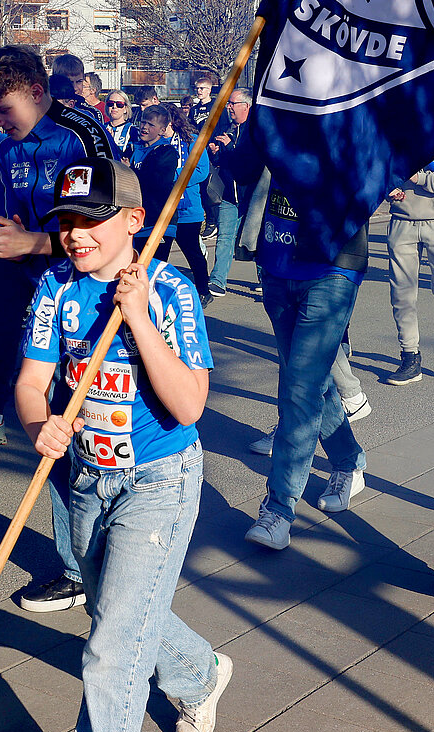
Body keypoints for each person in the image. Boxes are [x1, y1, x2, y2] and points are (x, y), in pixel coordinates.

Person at [20, 158, 230, 732]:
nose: (76, 236)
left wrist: (138, 320)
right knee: (112, 607)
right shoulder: (55, 287)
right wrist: (36, 424)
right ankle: (199, 672)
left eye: (91, 220)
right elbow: (32, 382)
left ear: (134, 221)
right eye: (66, 223)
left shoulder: (168, 291)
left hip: (158, 481)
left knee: (110, 642)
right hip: (86, 477)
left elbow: (190, 405)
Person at [0, 44, 112, 613]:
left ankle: (97, 558)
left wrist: (34, 241)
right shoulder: (6, 145)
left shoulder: (78, 132)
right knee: (49, 425)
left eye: (5, 111)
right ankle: (79, 562)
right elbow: (15, 212)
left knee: (83, 423)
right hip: (24, 287)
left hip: (80, 291)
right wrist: (9, 233)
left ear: (34, 91)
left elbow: (104, 224)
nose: (0, 124)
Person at [227, 124, 371, 550]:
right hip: (277, 263)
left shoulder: (354, 112)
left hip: (332, 268)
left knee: (299, 388)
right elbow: (239, 168)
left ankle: (278, 509)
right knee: (309, 382)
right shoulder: (275, 111)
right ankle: (349, 460)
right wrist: (251, 129)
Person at [382, 160, 434, 385]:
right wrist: (386, 185)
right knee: (402, 294)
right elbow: (378, 159)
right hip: (402, 218)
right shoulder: (393, 125)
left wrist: (417, 178)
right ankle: (410, 356)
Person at [130, 104, 211, 300]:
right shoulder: (143, 148)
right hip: (148, 216)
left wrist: (175, 178)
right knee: (140, 266)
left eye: (152, 123)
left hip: (177, 210)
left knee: (190, 252)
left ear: (166, 125)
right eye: (144, 122)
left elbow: (199, 171)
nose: (145, 127)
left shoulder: (180, 146)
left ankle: (203, 290)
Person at [206, 89, 253, 299]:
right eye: (228, 103)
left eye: (233, 103)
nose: (229, 107)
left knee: (255, 239)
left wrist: (230, 146)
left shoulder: (255, 132)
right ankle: (218, 280)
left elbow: (249, 163)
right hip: (228, 195)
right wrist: (216, 153)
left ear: (246, 106)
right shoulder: (226, 128)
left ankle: (266, 281)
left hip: (252, 196)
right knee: (225, 238)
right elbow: (223, 164)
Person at [100, 89, 133, 155]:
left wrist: (111, 141)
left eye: (119, 104)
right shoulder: (101, 128)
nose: (114, 107)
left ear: (126, 109)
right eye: (110, 103)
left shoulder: (132, 130)